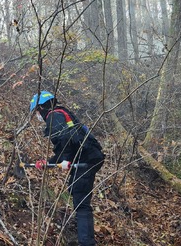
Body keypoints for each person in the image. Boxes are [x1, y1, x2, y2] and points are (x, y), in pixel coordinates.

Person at [30, 91, 105, 246]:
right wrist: (52, 161)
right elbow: (68, 143)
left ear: (41, 108)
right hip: (88, 156)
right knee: (75, 190)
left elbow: (65, 141)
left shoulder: (54, 116)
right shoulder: (61, 113)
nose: (37, 115)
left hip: (85, 159)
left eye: (36, 111)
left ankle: (86, 243)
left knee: (81, 202)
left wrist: (61, 160)